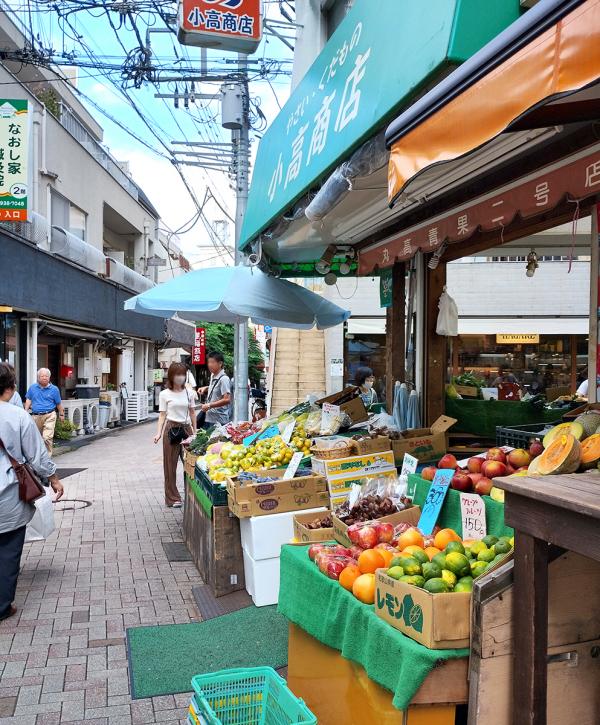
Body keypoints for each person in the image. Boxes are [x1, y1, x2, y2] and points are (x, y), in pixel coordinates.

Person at [0, 362, 63, 621]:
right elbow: (37, 456)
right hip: (8, 496)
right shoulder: (17, 416)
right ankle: (3, 605)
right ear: (11, 388)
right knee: (8, 550)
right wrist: (54, 479)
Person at [154, 362, 196, 508]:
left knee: (192, 464)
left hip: (186, 430)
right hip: (171, 429)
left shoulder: (189, 392)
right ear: (171, 376)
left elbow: (192, 412)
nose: (181, 377)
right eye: (178, 374)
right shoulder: (164, 394)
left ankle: (192, 495)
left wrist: (195, 432)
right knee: (170, 466)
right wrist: (158, 433)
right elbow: (162, 415)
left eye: (183, 374)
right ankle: (172, 498)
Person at [24, 368, 64, 455]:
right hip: (36, 416)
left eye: (46, 376)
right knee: (36, 439)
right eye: (42, 376)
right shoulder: (32, 388)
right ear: (38, 377)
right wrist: (25, 411)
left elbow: (58, 403)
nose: (44, 378)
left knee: (47, 437)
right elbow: (28, 399)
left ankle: (47, 459)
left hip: (50, 415)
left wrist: (61, 414)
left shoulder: (54, 389)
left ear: (49, 378)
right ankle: (38, 458)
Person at [198, 352, 232, 428]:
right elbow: (216, 389)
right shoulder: (213, 375)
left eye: (212, 362)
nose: (209, 365)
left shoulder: (224, 379)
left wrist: (209, 405)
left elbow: (227, 399)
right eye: (209, 362)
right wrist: (206, 388)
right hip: (209, 418)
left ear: (220, 363)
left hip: (219, 421)